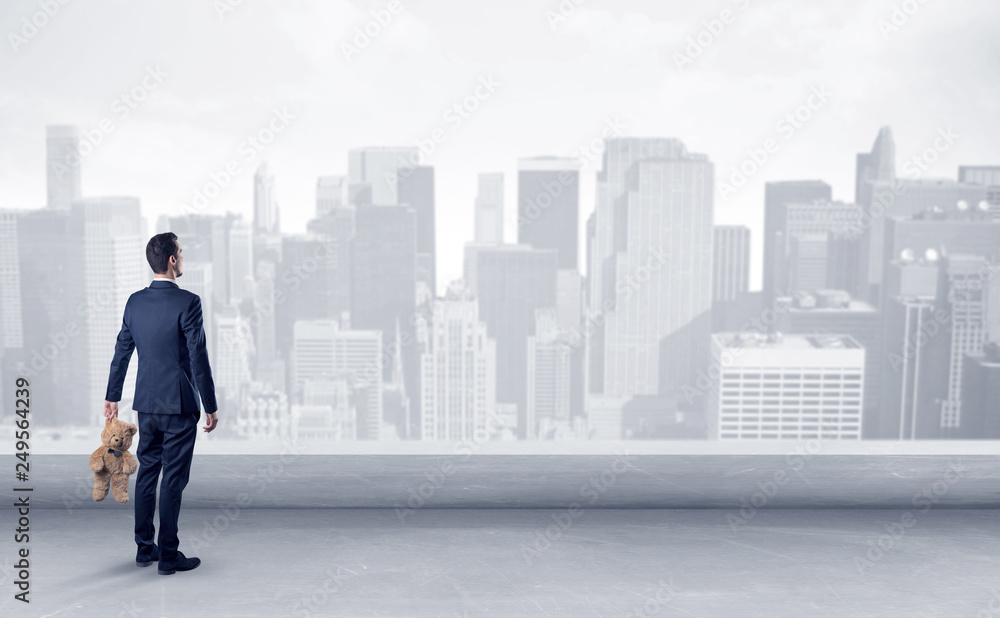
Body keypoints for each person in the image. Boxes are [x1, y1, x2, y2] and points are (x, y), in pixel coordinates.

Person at [104, 232, 219, 575]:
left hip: (146, 405)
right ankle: (168, 556)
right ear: (171, 260)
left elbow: (122, 350)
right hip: (180, 405)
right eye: (180, 253)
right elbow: (198, 356)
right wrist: (210, 404)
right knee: (173, 480)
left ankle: (144, 549)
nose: (182, 258)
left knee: (148, 473)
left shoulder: (134, 302)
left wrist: (113, 397)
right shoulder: (189, 302)